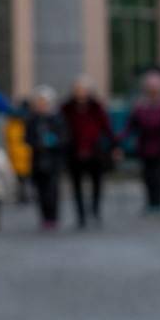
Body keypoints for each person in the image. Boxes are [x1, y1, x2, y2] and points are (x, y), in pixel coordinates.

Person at [59, 76, 115, 227]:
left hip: (94, 151)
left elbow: (106, 127)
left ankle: (95, 211)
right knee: (76, 184)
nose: (81, 93)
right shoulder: (66, 108)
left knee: (97, 183)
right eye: (78, 89)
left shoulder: (96, 107)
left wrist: (115, 145)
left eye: (83, 90)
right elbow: (60, 128)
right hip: (74, 151)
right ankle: (81, 215)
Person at [119, 71, 160, 215]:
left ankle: (157, 202)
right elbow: (130, 126)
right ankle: (151, 202)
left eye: (155, 88)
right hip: (145, 147)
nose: (153, 91)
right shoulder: (140, 106)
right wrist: (118, 141)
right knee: (148, 176)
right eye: (150, 88)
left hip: (159, 147)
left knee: (158, 175)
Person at [25, 86, 67, 230]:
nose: (42, 105)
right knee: (40, 189)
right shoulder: (32, 119)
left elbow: (64, 137)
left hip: (53, 159)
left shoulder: (56, 119)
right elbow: (27, 138)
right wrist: (37, 143)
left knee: (52, 189)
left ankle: (53, 216)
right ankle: (44, 216)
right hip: (37, 159)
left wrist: (53, 142)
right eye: (40, 102)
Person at [3, 99, 32, 204]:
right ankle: (24, 195)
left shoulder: (11, 126)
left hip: (16, 154)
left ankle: (22, 195)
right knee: (24, 178)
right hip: (24, 154)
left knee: (20, 178)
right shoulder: (24, 124)